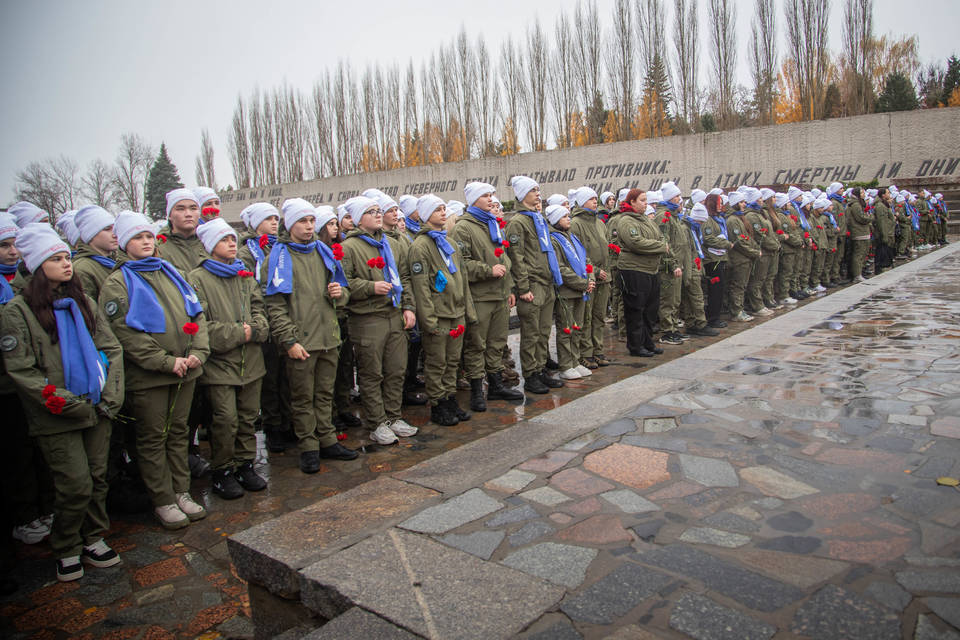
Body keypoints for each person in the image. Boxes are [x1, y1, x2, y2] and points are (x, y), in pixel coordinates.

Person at [3, 224, 124, 581]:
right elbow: (22, 371)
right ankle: (67, 544)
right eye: (56, 259)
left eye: (66, 257)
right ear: (39, 266)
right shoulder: (18, 312)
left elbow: (111, 347)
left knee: (98, 477)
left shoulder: (82, 301)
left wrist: (112, 393)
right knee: (74, 483)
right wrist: (67, 402)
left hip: (97, 407)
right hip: (58, 414)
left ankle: (93, 536)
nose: (66, 265)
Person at [99, 211, 210, 529]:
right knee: (152, 438)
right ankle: (162, 499)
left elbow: (197, 312)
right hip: (150, 377)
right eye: (137, 237)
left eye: (148, 236)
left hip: (186, 370)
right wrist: (165, 361)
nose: (146, 241)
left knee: (179, 434)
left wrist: (198, 351)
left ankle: (181, 491)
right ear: (124, 243)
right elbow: (125, 334)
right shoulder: (118, 283)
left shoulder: (172, 273)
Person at [263, 199, 358, 473]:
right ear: (289, 224)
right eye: (302, 221)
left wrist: (340, 295)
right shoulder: (278, 257)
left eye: (311, 221)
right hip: (301, 341)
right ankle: (308, 446)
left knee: (325, 394)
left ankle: (327, 440)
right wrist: (289, 341)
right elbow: (275, 305)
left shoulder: (323, 252)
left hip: (328, 336)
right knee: (303, 398)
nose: (308, 227)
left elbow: (343, 290)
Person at [189, 219, 269, 499]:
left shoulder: (244, 275)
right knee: (225, 419)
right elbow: (200, 325)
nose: (232, 244)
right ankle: (222, 469)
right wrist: (241, 332)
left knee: (248, 417)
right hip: (221, 364)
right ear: (211, 246)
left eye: (233, 239)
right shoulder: (197, 279)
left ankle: (245, 464)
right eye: (224, 240)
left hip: (251, 360)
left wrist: (257, 328)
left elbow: (259, 308)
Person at [340, 196, 419, 445]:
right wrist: (370, 287)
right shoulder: (349, 247)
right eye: (371, 211)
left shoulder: (390, 244)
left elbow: (404, 277)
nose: (377, 214)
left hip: (393, 314)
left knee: (396, 369)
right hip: (367, 317)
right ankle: (377, 422)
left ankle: (394, 416)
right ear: (357, 219)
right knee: (372, 373)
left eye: (378, 211)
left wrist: (408, 306)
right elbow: (343, 284)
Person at [1, 213, 56, 549]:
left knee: (36, 452)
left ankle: (42, 508)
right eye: (3, 246)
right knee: (15, 455)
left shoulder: (23, 284)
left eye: (13, 245)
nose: (11, 252)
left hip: (36, 381)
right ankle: (23, 515)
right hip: (7, 386)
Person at [452, 182, 524, 411]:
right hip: (480, 296)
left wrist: (510, 287)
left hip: (500, 295)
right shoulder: (463, 228)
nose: (491, 199)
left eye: (492, 194)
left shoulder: (493, 223)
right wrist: (487, 270)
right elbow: (461, 263)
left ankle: (495, 386)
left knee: (496, 343)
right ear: (474, 200)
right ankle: (476, 391)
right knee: (476, 345)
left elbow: (504, 258)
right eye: (486, 195)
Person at [409, 195, 477, 425]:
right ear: (426, 215)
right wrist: (429, 321)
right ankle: (438, 404)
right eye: (437, 209)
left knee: (452, 361)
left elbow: (462, 277)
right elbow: (421, 288)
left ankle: (449, 398)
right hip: (439, 315)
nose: (442, 212)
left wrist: (467, 311)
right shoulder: (421, 246)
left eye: (443, 209)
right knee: (437, 362)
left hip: (456, 312)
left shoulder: (449, 242)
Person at [237, 202, 295, 453]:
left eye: (276, 218)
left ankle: (289, 421)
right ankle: (273, 426)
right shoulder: (246, 253)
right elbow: (249, 289)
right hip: (263, 320)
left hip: (284, 319)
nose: (274, 222)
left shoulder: (281, 246)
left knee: (288, 375)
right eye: (268, 218)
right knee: (270, 377)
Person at [505, 176, 564, 394]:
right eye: (533, 190)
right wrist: (523, 288)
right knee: (530, 334)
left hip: (546, 283)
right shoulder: (517, 222)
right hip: (532, 286)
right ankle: (530, 375)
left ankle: (540, 370)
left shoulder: (537, 218)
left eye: (538, 190)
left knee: (543, 332)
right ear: (522, 195)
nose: (538, 193)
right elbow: (517, 258)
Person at [609, 190, 666, 357]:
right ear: (632, 202)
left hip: (651, 269)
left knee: (650, 310)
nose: (645, 203)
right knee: (635, 309)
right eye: (642, 200)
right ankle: (635, 345)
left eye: (646, 200)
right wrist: (660, 247)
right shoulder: (626, 220)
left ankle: (648, 342)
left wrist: (660, 243)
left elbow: (660, 236)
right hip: (634, 270)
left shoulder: (646, 220)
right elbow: (636, 243)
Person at [546, 204, 595, 380]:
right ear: (555, 220)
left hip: (581, 290)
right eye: (564, 216)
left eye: (569, 215)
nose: (569, 218)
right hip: (567, 291)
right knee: (566, 329)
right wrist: (582, 283)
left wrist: (590, 278)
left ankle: (575, 361)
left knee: (578, 328)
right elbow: (559, 268)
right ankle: (566, 365)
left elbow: (585, 259)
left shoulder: (572, 237)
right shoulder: (554, 240)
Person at [570, 187, 614, 367]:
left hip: (605, 277)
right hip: (590, 277)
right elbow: (577, 253)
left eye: (596, 198)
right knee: (586, 318)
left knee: (599, 316)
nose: (595, 202)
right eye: (590, 199)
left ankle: (598, 350)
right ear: (581, 202)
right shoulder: (576, 223)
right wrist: (594, 271)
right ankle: (585, 353)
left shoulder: (600, 223)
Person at [725, 191, 760, 322]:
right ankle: (736, 311)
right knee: (738, 286)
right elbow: (739, 242)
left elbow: (747, 238)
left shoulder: (740, 218)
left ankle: (739, 308)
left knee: (742, 285)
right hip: (739, 259)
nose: (744, 204)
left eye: (744, 201)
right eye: (741, 202)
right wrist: (753, 252)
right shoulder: (732, 220)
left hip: (745, 258)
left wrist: (755, 248)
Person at [697, 198, 731, 329]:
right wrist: (726, 244)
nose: (721, 206)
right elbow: (708, 239)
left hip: (720, 257)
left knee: (720, 288)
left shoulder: (718, 219)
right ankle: (712, 318)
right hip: (712, 259)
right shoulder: (708, 220)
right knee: (715, 290)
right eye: (719, 203)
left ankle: (715, 315)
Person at [72, 206, 118, 300]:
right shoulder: (82, 269)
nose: (115, 234)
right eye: (107, 229)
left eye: (115, 228)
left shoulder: (113, 260)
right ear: (90, 235)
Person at [159, 189, 207, 274]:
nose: (188, 214)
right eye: (180, 209)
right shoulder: (159, 248)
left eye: (193, 208)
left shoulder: (209, 241)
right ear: (169, 215)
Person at [846, 187, 872, 282]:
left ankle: (860, 272)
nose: (864, 194)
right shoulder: (855, 205)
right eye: (862, 192)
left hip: (863, 231)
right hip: (859, 232)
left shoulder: (859, 203)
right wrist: (870, 217)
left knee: (862, 254)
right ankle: (857, 274)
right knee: (858, 254)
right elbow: (860, 217)